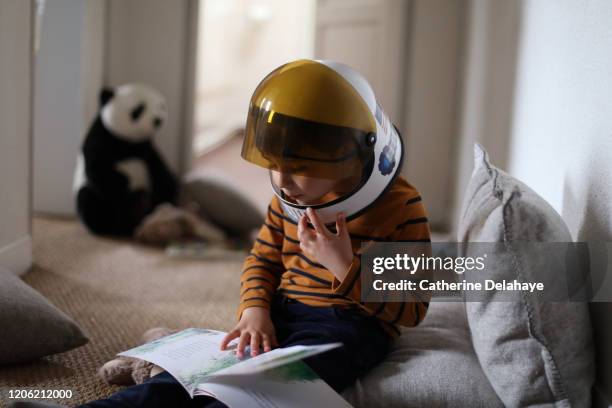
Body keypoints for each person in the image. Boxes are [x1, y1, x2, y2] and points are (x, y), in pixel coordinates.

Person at [79, 59, 430, 408]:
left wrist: (344, 266)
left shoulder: (400, 206)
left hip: (348, 327)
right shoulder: (291, 198)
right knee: (194, 379)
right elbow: (262, 259)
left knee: (258, 391)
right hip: (282, 309)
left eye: (299, 169)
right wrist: (255, 309)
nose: (281, 181)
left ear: (349, 155)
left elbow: (413, 309)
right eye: (274, 166)